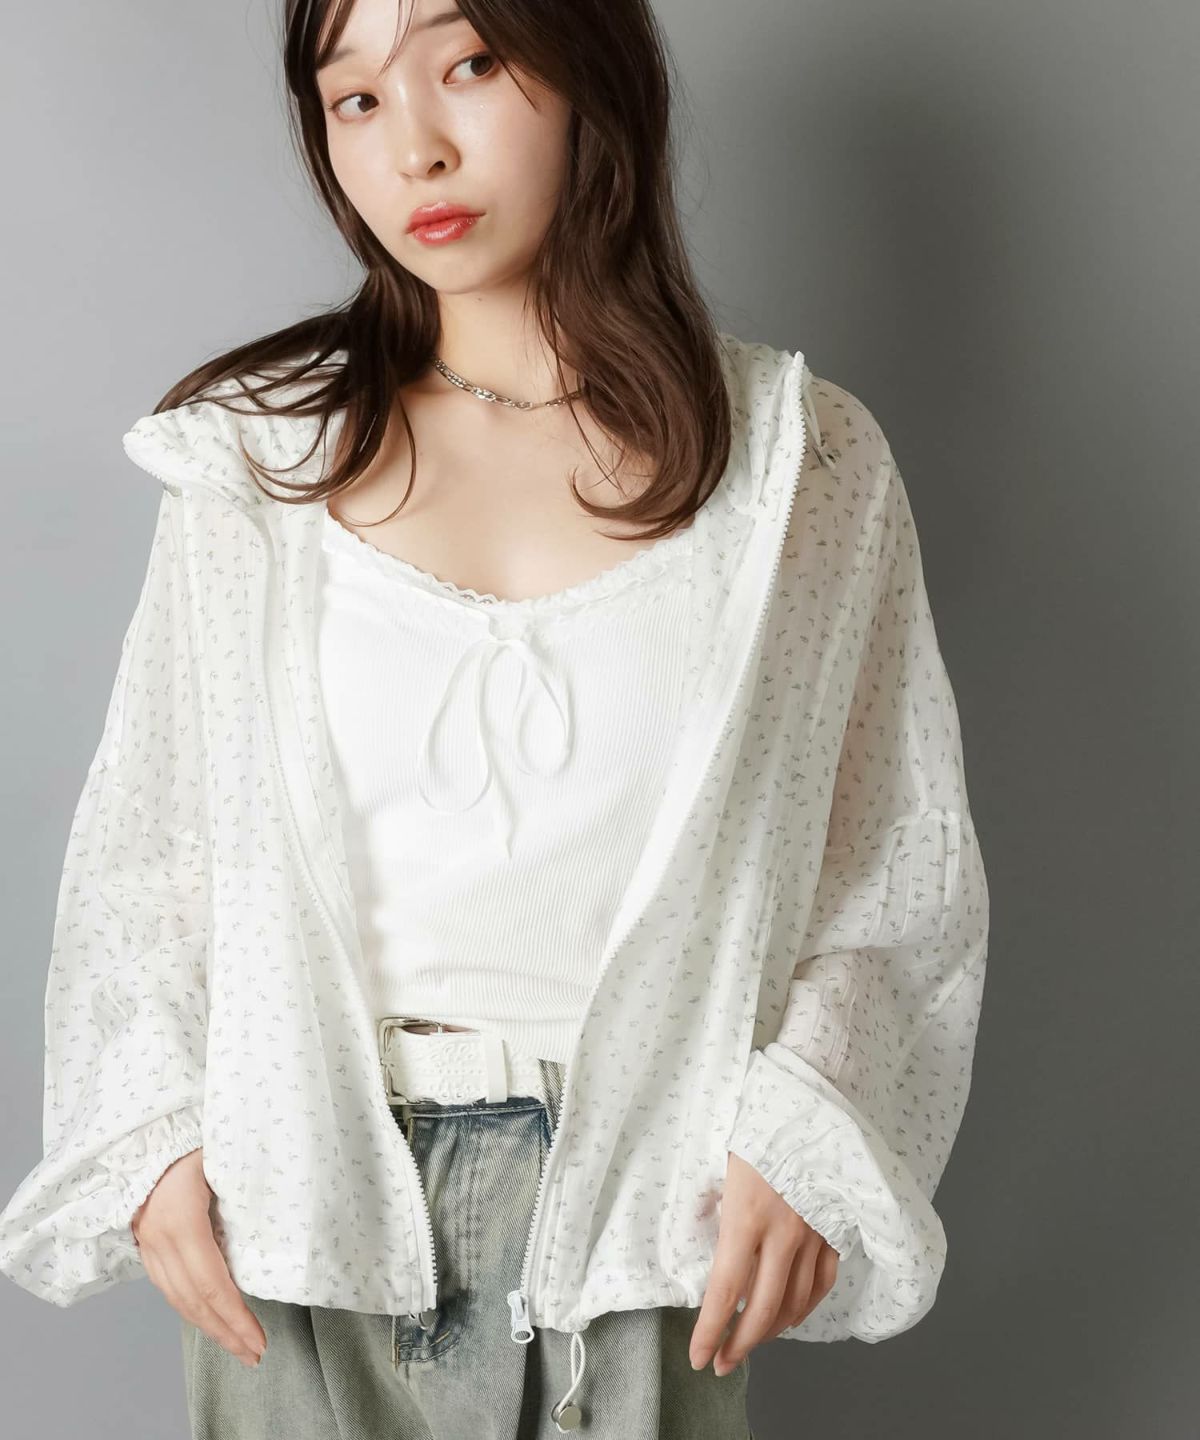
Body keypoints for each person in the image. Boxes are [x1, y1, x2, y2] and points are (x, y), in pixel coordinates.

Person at [0, 0, 991, 1436]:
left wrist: (808, 1126)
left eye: (469, 64)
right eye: (354, 99)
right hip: (306, 1213)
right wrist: (152, 1138)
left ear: (591, 73)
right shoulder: (263, 462)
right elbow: (152, 856)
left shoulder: (799, 465)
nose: (415, 147)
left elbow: (889, 862)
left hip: (646, 1226)